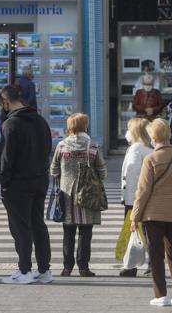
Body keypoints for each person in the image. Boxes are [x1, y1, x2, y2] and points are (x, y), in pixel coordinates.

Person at [131, 119, 172, 307]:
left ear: (152, 137)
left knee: (156, 254)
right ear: (169, 135)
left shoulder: (150, 159)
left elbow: (142, 192)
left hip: (153, 215)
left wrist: (135, 217)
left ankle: (160, 295)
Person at [0, 84, 52, 284]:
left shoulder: (10, 124)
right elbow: (48, 147)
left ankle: (25, 270)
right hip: (40, 179)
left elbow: (6, 158)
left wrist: (4, 182)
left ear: (6, 101)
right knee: (38, 224)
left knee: (21, 227)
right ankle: (45, 270)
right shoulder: (40, 120)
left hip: (18, 183)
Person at [50, 113, 107, 278]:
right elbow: (102, 172)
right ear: (85, 126)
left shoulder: (61, 146)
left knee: (68, 232)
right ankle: (83, 267)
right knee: (85, 232)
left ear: (70, 127)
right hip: (87, 195)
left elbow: (53, 170)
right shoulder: (93, 146)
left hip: (67, 194)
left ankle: (67, 268)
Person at [119, 117, 153, 277]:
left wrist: (131, 201)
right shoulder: (150, 148)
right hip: (149, 196)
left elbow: (131, 173)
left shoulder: (135, 149)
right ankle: (153, 263)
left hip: (135, 197)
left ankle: (130, 266)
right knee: (148, 232)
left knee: (133, 231)